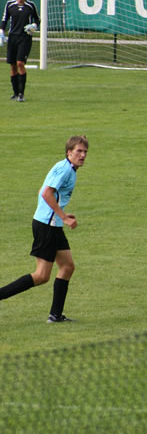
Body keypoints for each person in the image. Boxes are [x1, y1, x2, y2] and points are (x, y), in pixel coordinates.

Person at [0, 135, 88, 322]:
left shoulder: (70, 169)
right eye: (78, 151)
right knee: (41, 276)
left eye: (85, 152)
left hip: (53, 224)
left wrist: (62, 214)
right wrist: (63, 216)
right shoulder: (64, 169)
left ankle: (55, 315)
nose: (82, 155)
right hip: (46, 226)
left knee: (67, 266)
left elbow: (52, 197)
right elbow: (46, 193)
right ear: (69, 152)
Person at [1, 0, 40, 102]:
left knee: (20, 63)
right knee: (12, 66)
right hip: (13, 38)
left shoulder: (30, 6)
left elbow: (37, 20)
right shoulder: (9, 4)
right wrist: (1, 31)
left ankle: (21, 94)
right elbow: (5, 19)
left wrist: (33, 25)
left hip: (25, 38)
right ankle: (15, 93)